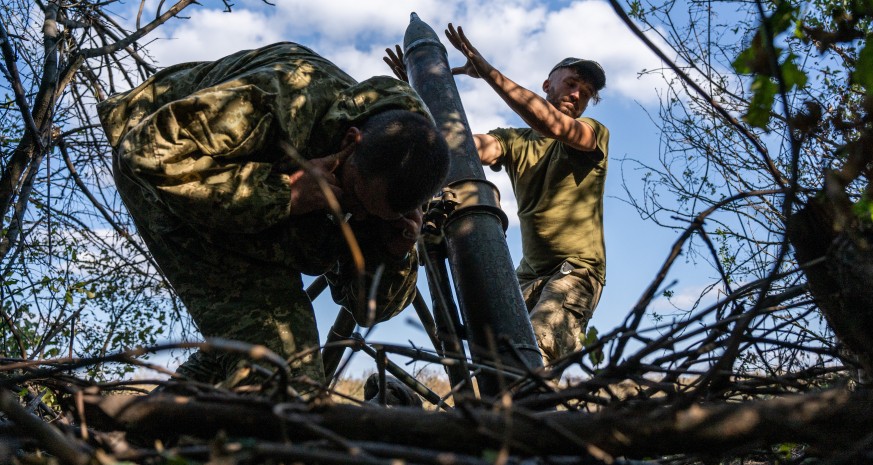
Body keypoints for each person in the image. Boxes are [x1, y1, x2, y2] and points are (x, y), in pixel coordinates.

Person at [98, 42, 450, 392]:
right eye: (355, 196)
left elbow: (368, 310)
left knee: (264, 350)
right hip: (162, 166)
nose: (355, 213)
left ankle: (138, 429)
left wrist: (395, 251)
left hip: (237, 184)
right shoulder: (285, 96)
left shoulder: (392, 183)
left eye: (371, 213)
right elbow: (145, 153)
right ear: (350, 140)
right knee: (286, 373)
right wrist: (286, 193)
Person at [436, 24, 609, 365]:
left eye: (586, 93)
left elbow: (553, 126)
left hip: (576, 271)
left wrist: (487, 72)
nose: (577, 94)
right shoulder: (515, 140)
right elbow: (460, 148)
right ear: (547, 85)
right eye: (571, 83)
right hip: (528, 273)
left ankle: (529, 414)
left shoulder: (592, 133)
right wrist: (421, 91)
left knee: (536, 354)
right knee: (491, 356)